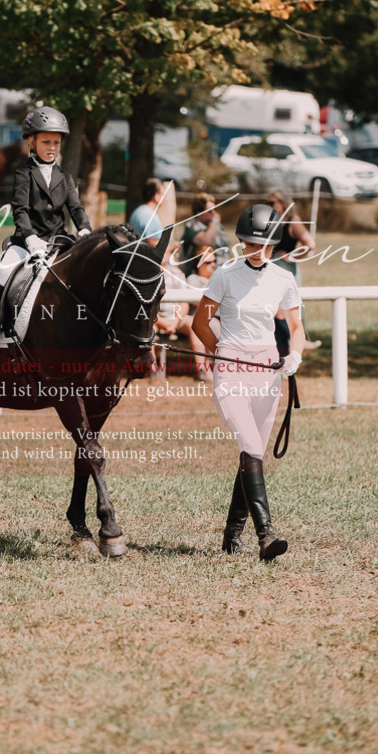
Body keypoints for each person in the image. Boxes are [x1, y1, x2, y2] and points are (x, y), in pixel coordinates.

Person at [191, 204, 305, 560]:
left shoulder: (284, 279)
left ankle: (231, 537)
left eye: (261, 244)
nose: (254, 250)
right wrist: (219, 352)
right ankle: (266, 536)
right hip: (231, 369)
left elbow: (297, 327)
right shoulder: (224, 275)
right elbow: (199, 323)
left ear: (272, 244)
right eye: (248, 243)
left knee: (250, 452)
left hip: (267, 371)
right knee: (252, 446)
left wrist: (294, 356)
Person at [0, 106, 92, 347]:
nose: (52, 148)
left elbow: (76, 208)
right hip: (27, 242)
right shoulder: (23, 174)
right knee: (5, 268)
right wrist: (29, 237)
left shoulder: (66, 178)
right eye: (46, 142)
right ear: (31, 141)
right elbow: (20, 210)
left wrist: (85, 229)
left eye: (56, 143)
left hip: (59, 241)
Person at [268, 190, 321, 354]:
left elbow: (310, 244)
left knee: (291, 305)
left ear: (282, 203)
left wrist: (292, 256)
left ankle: (300, 340)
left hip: (287, 269)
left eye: (272, 203)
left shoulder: (293, 221)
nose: (269, 206)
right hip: (270, 270)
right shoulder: (270, 221)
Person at [154, 242, 210, 377]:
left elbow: (184, 303)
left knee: (195, 324)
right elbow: (144, 307)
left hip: (176, 318)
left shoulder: (176, 273)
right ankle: (153, 370)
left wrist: (174, 321)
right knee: (147, 329)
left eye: (167, 251)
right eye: (159, 251)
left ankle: (201, 369)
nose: (163, 254)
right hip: (154, 319)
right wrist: (160, 321)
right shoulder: (146, 274)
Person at [180, 193, 229, 275]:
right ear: (198, 212)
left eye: (214, 209)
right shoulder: (191, 227)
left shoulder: (215, 226)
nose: (214, 214)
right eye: (209, 211)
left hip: (220, 272)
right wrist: (214, 222)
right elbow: (207, 241)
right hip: (197, 277)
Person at [128, 178, 165, 247]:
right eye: (163, 194)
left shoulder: (137, 211)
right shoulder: (150, 215)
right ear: (156, 196)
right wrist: (172, 246)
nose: (164, 197)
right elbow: (152, 243)